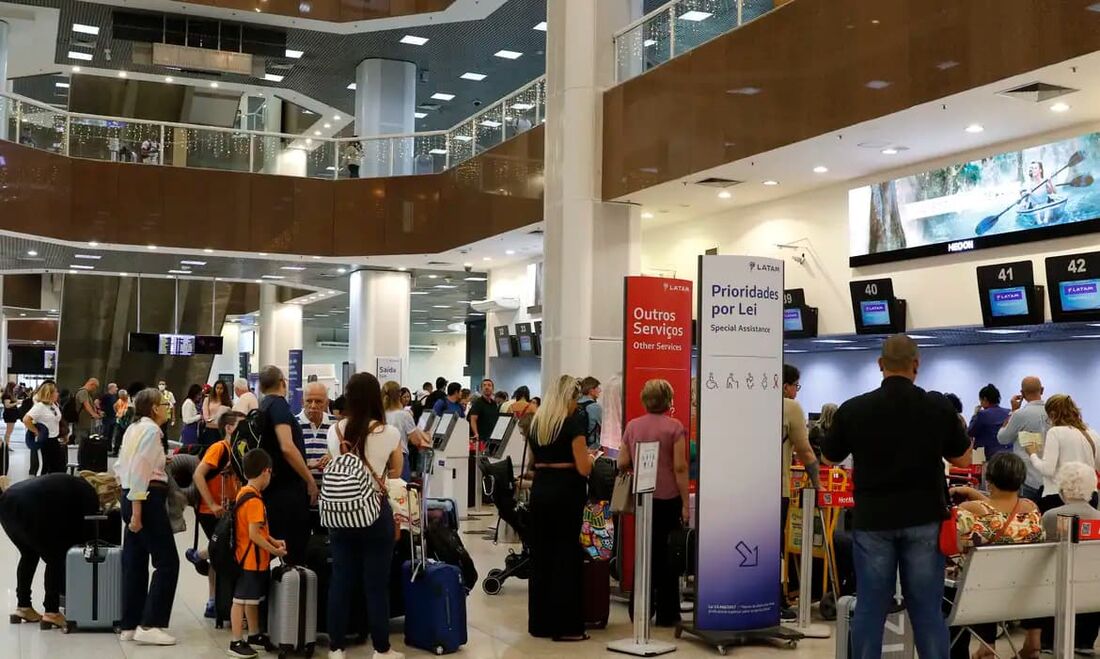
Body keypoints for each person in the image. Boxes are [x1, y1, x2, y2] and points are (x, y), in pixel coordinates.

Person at [822, 335, 971, 659]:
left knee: (870, 608)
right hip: (924, 519)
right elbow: (963, 460)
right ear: (916, 365)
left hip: (873, 520)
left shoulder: (855, 408)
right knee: (928, 611)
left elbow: (829, 459)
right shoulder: (937, 405)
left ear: (880, 365)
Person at [324, 373, 404, 659]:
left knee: (341, 581)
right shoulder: (389, 433)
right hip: (374, 513)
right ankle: (381, 649)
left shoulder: (334, 431)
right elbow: (395, 471)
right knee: (376, 584)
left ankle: (336, 648)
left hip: (341, 513)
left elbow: (338, 466)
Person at [947, 452, 1044, 659]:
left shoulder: (968, 511)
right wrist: (980, 497)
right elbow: (1003, 513)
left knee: (948, 589)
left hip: (976, 598)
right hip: (1022, 597)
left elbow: (953, 546)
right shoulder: (1032, 511)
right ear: (1021, 480)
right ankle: (1028, 640)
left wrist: (971, 496)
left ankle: (981, 648)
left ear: (988, 481)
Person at [618, 379, 689, 627]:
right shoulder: (675, 428)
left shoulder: (633, 426)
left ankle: (640, 608)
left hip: (642, 497)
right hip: (668, 498)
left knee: (644, 551)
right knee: (668, 555)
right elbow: (680, 467)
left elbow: (621, 462)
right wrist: (685, 504)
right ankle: (668, 613)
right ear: (668, 400)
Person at [527, 374, 593, 641]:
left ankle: (540, 623)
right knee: (566, 557)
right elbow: (583, 467)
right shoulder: (572, 424)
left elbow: (533, 464)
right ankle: (566, 625)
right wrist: (591, 456)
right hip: (566, 494)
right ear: (569, 398)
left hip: (541, 492)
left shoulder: (537, 425)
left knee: (542, 557)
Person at [115, 388, 179, 646]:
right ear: (154, 408)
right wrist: (139, 512)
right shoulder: (152, 431)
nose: (167, 407)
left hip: (130, 495)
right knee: (167, 562)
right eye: (164, 404)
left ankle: (129, 623)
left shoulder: (133, 428)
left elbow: (122, 466)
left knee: (135, 560)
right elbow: (142, 468)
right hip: (146, 499)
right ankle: (151, 623)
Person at [0, 473, 103, 629]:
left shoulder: (72, 482)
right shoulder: (88, 492)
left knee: (28, 554)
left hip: (7, 504)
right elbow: (86, 529)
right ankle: (51, 611)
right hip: (31, 507)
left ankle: (23, 606)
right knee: (56, 557)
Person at [256, 366, 317, 565]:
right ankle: (293, 594)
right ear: (283, 381)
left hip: (270, 487)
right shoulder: (279, 405)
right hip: (287, 492)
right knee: (294, 549)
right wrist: (309, 480)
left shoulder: (263, 406)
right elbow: (287, 447)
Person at [228, 449, 285, 659]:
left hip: (249, 557)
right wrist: (275, 550)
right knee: (240, 600)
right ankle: (236, 641)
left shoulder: (245, 492)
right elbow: (254, 535)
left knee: (251, 599)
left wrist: (273, 540)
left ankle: (253, 634)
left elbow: (260, 530)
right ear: (266, 471)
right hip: (250, 559)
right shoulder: (254, 501)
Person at [187, 412, 244, 619]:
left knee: (220, 554)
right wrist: (211, 504)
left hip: (229, 509)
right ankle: (213, 599)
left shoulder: (238, 450)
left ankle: (214, 599)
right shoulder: (219, 448)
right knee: (218, 551)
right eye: (241, 425)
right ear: (228, 428)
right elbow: (198, 474)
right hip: (210, 511)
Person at [781, 364, 820, 620]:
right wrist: (817, 484)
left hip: (740, 488)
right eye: (796, 385)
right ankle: (774, 600)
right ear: (786, 386)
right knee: (774, 549)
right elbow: (805, 451)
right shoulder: (790, 408)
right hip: (775, 488)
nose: (796, 391)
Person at [1026, 394, 1100, 513]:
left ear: (1053, 414)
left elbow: (1047, 469)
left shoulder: (1055, 432)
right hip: (1090, 496)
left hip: (1058, 496)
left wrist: (1032, 454)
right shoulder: (1092, 433)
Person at [997, 376, 1049, 503]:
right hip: (1050, 477)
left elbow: (1002, 438)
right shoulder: (1053, 412)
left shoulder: (1020, 414)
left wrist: (1013, 411)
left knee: (1027, 518)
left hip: (1028, 477)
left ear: (1022, 394)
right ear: (1042, 390)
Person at [383, 380, 430, 482]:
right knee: (401, 491)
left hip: (382, 458)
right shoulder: (404, 415)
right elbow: (416, 441)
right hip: (400, 457)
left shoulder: (380, 415)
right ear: (399, 396)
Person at [23, 382, 66, 474]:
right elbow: (26, 420)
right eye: (56, 392)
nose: (58, 393)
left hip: (54, 439)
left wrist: (63, 434)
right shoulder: (39, 406)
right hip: (44, 440)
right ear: (49, 394)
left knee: (55, 465)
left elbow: (57, 420)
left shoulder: (54, 405)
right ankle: (40, 486)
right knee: (44, 466)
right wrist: (36, 431)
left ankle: (52, 486)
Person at [299, 381, 335, 477]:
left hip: (330, 488)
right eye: (309, 401)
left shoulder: (335, 425)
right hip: (301, 489)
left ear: (327, 403)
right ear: (302, 402)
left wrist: (332, 456)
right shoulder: (292, 424)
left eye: (318, 401)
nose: (313, 406)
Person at [968, 383, 1011, 461]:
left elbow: (971, 432)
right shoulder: (1009, 413)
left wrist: (975, 415)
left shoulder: (982, 414)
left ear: (984, 399)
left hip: (992, 456)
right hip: (1010, 455)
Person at [469, 378, 500, 454]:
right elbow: (473, 419)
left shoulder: (494, 403)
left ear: (492, 389)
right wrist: (476, 434)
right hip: (481, 439)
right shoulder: (478, 403)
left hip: (492, 438)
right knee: (480, 459)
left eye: (489, 385)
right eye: (484, 385)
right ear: (481, 389)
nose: (487, 387)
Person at [202, 380, 232, 446]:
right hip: (210, 430)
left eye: (221, 388)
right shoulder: (208, 399)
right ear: (214, 388)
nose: (219, 390)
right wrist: (211, 420)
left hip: (222, 430)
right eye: (217, 388)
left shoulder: (227, 401)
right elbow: (205, 415)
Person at [74, 378, 103, 448]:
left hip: (86, 422)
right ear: (92, 384)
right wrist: (94, 415)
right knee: (81, 442)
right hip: (82, 422)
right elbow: (86, 405)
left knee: (85, 441)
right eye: (95, 387)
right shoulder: (83, 392)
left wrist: (97, 412)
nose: (95, 389)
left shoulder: (87, 393)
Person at [577, 377, 603, 451]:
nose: (600, 390)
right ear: (591, 391)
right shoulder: (595, 407)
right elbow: (603, 427)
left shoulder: (576, 404)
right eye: (597, 388)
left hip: (578, 445)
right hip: (592, 448)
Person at [99, 383, 119, 452]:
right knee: (106, 433)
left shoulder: (114, 397)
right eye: (116, 387)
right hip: (107, 417)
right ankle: (103, 448)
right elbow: (98, 402)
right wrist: (100, 411)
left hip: (113, 417)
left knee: (111, 434)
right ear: (111, 388)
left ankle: (109, 447)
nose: (117, 389)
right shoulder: (106, 396)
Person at [2, 382, 19, 447]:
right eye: (15, 387)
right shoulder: (7, 395)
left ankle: (7, 445)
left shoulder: (10, 394)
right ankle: (6, 446)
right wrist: (16, 403)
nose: (16, 388)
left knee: (9, 431)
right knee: (8, 431)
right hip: (9, 415)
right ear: (11, 387)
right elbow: (7, 405)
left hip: (11, 414)